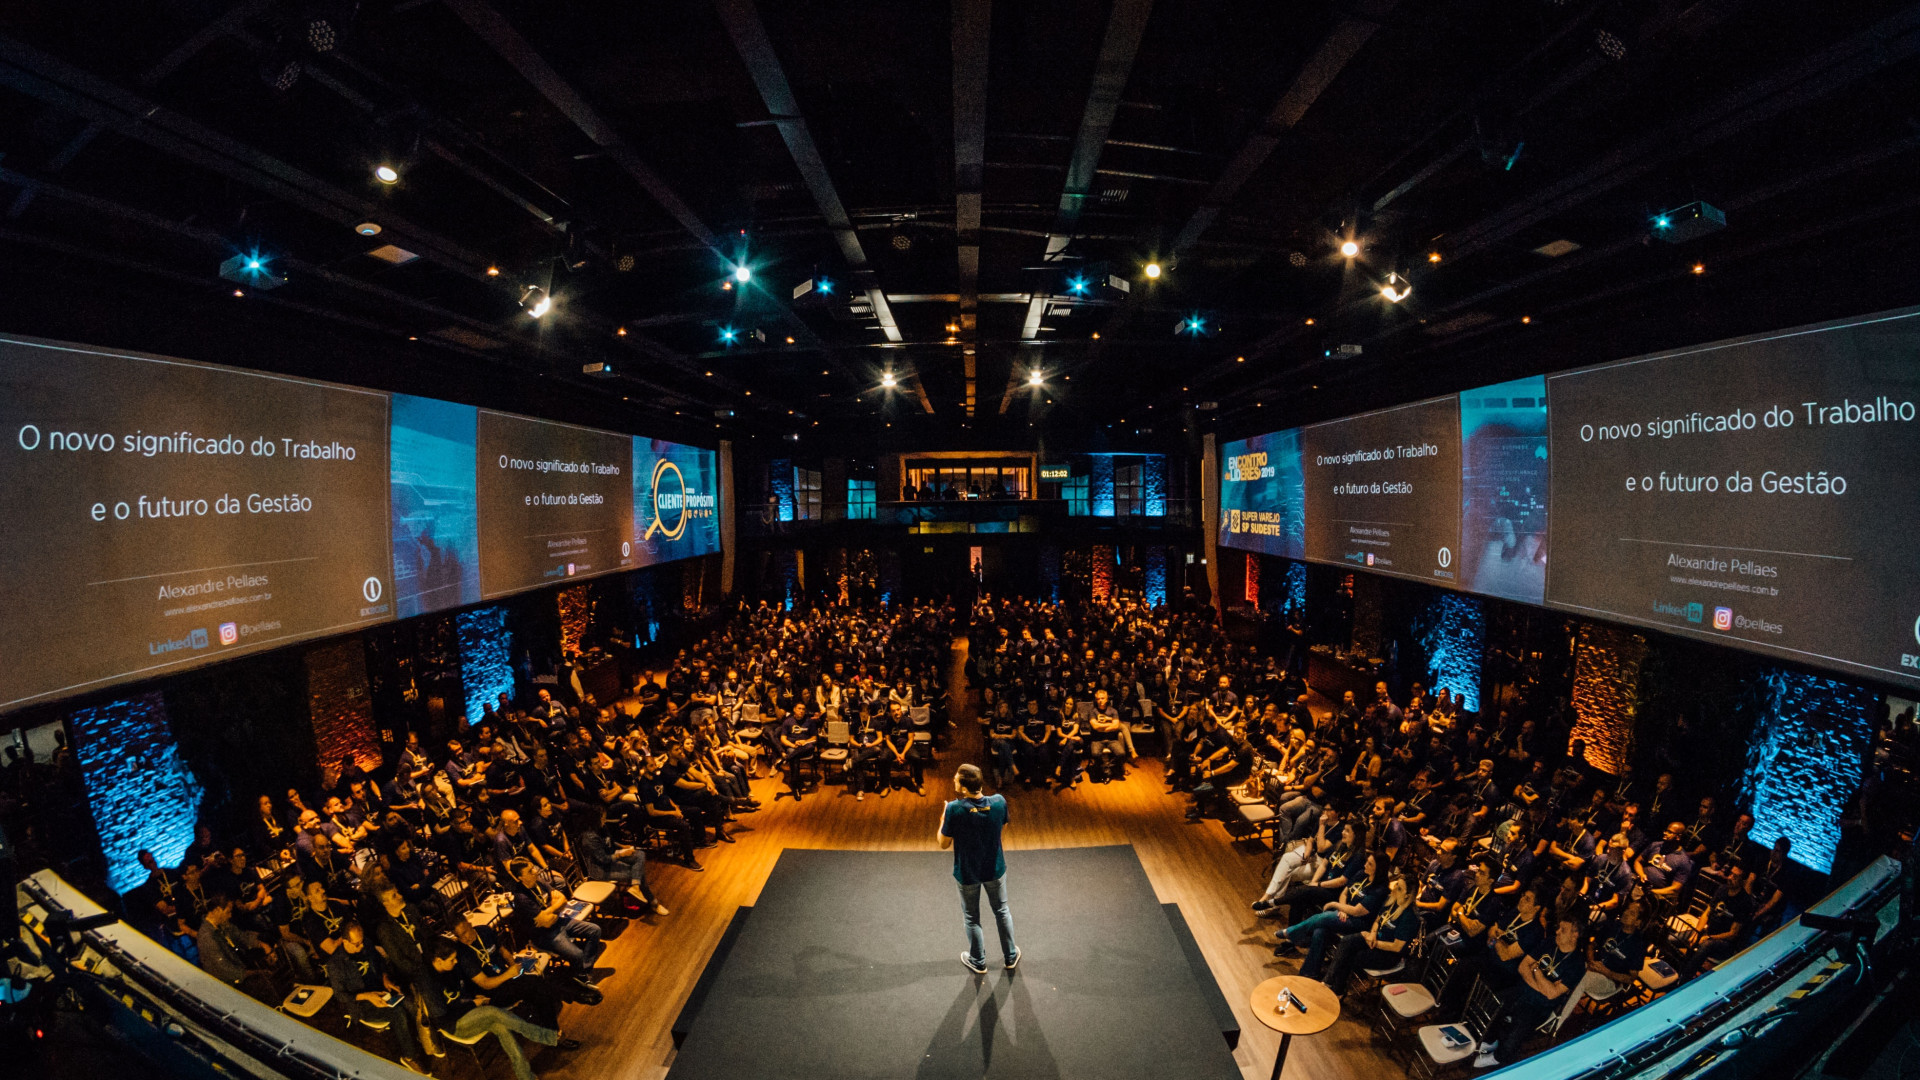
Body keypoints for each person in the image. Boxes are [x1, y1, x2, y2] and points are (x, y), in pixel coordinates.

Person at [938, 763, 1019, 974]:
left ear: (964, 787)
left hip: (967, 873)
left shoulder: (953, 809)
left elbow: (943, 843)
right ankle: (1010, 956)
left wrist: (942, 821)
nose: (953, 780)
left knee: (972, 918)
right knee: (1002, 911)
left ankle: (978, 960)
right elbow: (1003, 830)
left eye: (956, 779)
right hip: (995, 869)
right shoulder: (1000, 802)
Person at [1474, 914, 1584, 1068]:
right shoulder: (1549, 943)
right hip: (1522, 990)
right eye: (1559, 928)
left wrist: (1537, 971)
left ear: (1575, 935)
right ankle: (1492, 1040)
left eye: (1563, 930)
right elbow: (1522, 967)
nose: (1557, 932)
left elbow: (1552, 994)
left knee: (1519, 1027)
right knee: (1492, 1003)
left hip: (1539, 1006)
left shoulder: (1577, 964)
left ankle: (1499, 1057)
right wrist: (1544, 985)